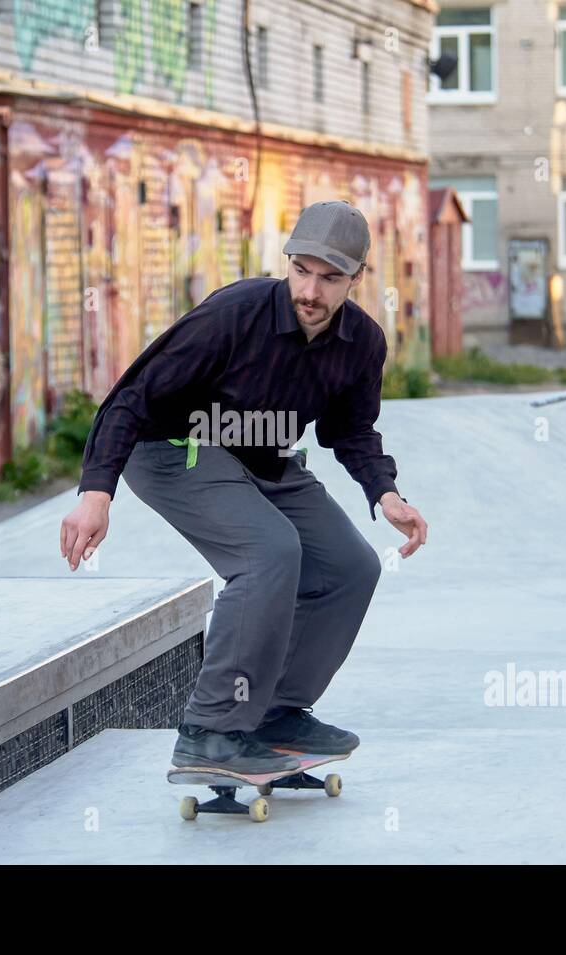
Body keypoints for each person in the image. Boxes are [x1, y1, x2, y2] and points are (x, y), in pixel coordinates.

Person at [59, 199, 428, 776]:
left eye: (330, 279)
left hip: (266, 457)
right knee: (268, 553)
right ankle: (211, 729)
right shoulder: (234, 314)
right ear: (288, 263)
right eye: (302, 270)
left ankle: (275, 712)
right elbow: (133, 395)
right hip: (174, 450)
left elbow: (350, 429)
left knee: (351, 566)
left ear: (356, 279)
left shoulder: (362, 343)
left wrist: (386, 494)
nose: (311, 291)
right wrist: (96, 492)